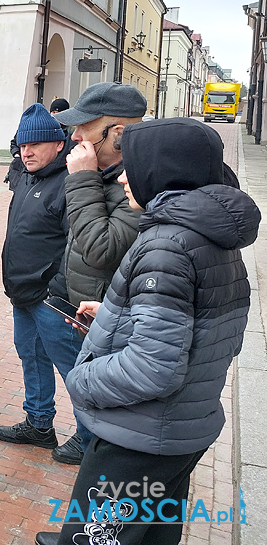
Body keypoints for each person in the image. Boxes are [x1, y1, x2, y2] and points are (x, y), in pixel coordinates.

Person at [36, 119, 259, 545]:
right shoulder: (207, 233)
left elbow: (153, 367)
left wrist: (82, 379)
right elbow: (207, 329)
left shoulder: (168, 245)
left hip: (142, 435)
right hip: (180, 425)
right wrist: (117, 314)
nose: (121, 176)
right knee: (151, 530)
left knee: (99, 535)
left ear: (162, 172)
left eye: (132, 166)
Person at [47, 82, 146, 465]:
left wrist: (82, 177)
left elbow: (101, 249)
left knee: (108, 417)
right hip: (84, 310)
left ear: (117, 134)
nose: (74, 136)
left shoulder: (136, 181)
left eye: (84, 126)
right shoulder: (104, 174)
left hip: (113, 324)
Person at [0, 103, 88, 455]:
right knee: (31, 358)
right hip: (23, 293)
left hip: (51, 299)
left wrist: (56, 291)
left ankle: (89, 438)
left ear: (58, 144)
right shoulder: (27, 176)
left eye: (34, 145)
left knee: (73, 369)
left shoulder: (69, 183)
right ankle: (38, 423)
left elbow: (77, 247)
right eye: (21, 145)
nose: (26, 152)